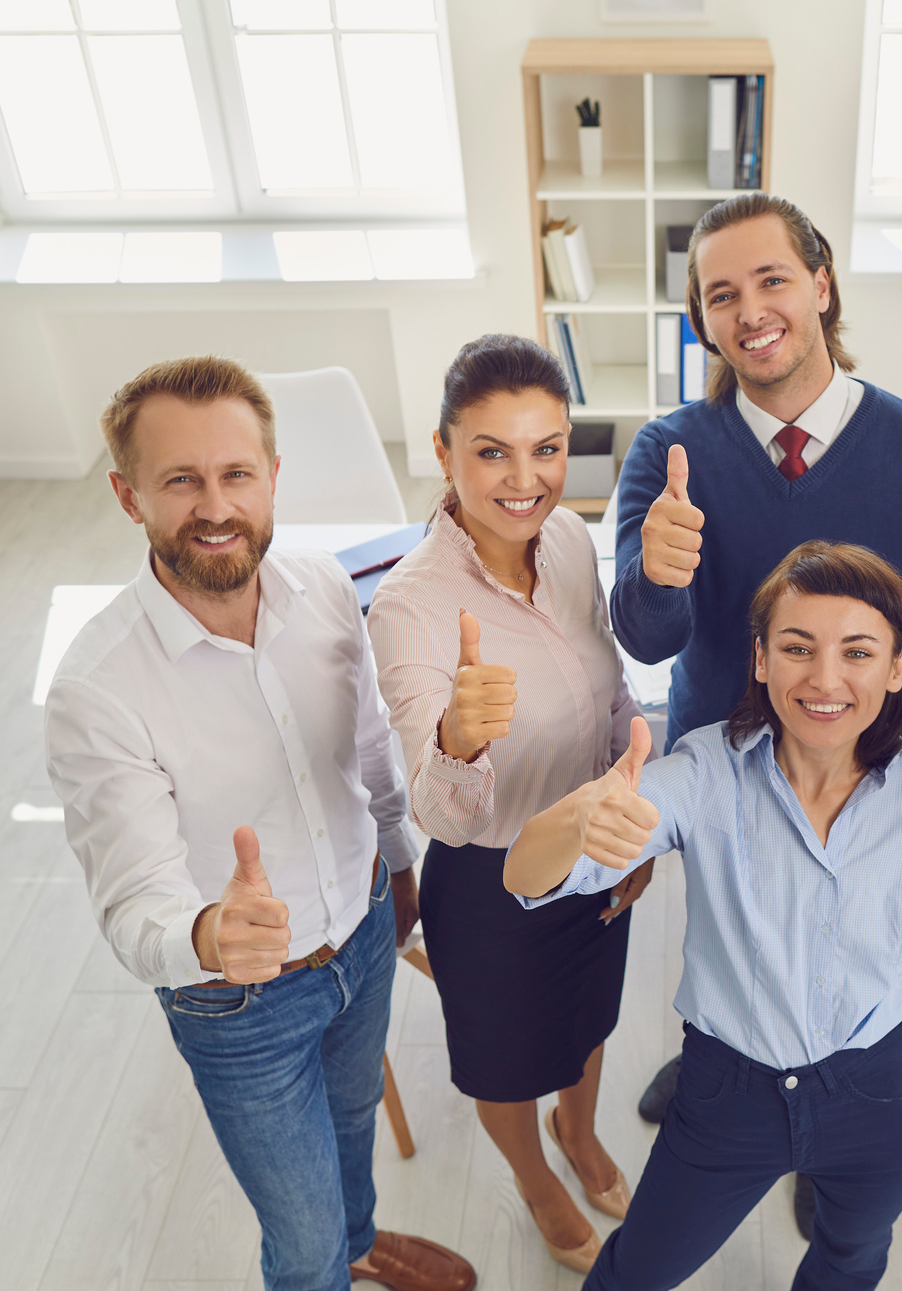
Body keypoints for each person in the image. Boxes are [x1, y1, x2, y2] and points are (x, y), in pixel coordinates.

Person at [44, 356, 475, 1291]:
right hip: (240, 1003)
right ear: (129, 496)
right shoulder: (96, 689)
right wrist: (206, 931)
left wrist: (399, 870)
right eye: (180, 480)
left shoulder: (323, 589)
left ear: (273, 475)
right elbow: (132, 903)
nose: (214, 505)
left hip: (362, 932)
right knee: (301, 1237)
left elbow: (366, 756)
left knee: (354, 1118)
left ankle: (363, 1240)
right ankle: (335, 1256)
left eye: (235, 473)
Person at [609, 192, 902, 1231]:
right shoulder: (667, 455)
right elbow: (646, 641)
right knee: (732, 941)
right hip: (727, 777)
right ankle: (722, 1074)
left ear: (822, 286)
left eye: (773, 279)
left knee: (845, 961)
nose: (752, 310)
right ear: (701, 321)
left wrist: (887, 798)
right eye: (720, 295)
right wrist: (657, 573)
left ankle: (824, 1125)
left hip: (867, 785)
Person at [507, 541, 902, 1291]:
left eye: (857, 652)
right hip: (728, 1097)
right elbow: (525, 876)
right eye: (797, 647)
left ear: (895, 667)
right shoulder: (703, 773)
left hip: (880, 1097)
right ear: (760, 659)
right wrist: (576, 820)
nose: (825, 679)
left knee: (852, 1258)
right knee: (634, 1273)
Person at [365, 334, 653, 1276]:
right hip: (490, 884)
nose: (525, 479)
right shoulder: (409, 608)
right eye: (491, 451)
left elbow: (612, 689)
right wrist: (458, 736)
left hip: (593, 847)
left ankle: (580, 1132)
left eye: (547, 447)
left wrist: (628, 812)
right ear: (445, 453)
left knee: (590, 1020)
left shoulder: (568, 538)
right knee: (506, 1062)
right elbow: (440, 816)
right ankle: (535, 1176)